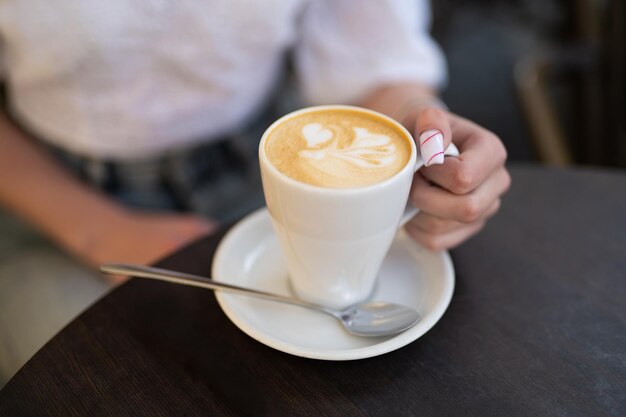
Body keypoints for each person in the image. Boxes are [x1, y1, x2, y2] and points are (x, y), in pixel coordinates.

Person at [0, 0, 510, 383]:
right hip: (48, 193)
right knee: (104, 381)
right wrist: (100, 230)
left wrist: (419, 134)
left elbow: (372, 64)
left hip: (267, 164)